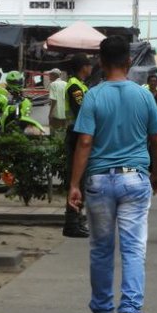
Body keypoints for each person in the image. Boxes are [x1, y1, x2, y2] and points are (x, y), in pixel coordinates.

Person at [68, 36, 157, 313]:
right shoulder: (144, 95)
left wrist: (74, 184)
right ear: (128, 62)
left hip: (98, 180)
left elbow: (85, 141)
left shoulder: (93, 96)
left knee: (100, 248)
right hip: (135, 179)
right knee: (134, 249)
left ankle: (101, 311)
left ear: (100, 61)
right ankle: (130, 311)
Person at [62, 54, 93, 238]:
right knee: (76, 178)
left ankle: (77, 219)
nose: (91, 69)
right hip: (76, 134)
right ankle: (71, 223)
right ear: (83, 66)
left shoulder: (80, 85)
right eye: (89, 65)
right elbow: (81, 111)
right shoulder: (74, 86)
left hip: (79, 133)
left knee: (81, 179)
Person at [46, 67, 67, 133]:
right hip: (65, 114)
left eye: (50, 74)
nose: (49, 76)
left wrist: (50, 113)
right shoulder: (65, 84)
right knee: (63, 132)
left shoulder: (53, 84)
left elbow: (54, 100)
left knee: (54, 132)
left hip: (56, 114)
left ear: (54, 75)